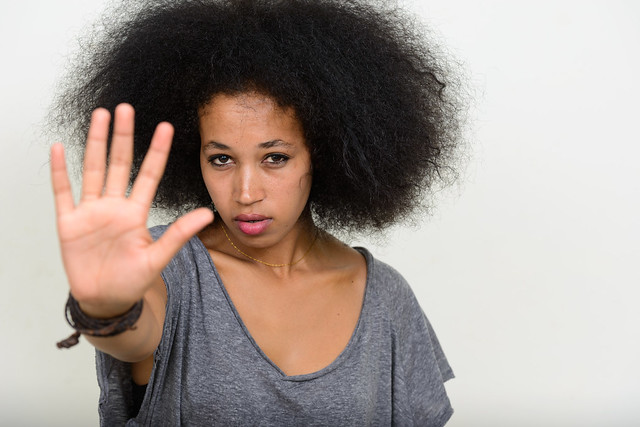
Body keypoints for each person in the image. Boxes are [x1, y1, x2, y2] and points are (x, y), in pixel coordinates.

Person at [51, 0, 464, 425]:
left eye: (275, 158)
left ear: (322, 155)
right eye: (221, 160)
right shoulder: (163, 265)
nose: (246, 193)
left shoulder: (384, 297)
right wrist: (108, 308)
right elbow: (134, 340)